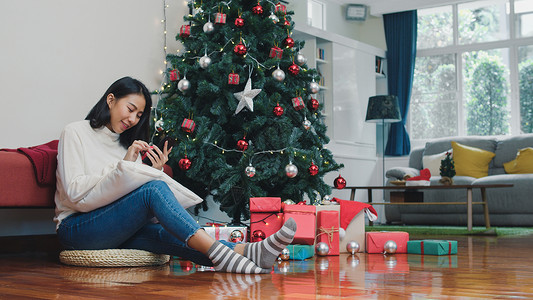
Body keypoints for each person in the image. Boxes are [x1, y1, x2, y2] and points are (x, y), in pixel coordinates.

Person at [54, 76, 297, 274]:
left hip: (113, 228)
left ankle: (249, 252)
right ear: (110, 100)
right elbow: (76, 194)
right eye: (130, 109)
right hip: (77, 228)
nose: (132, 119)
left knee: (163, 233)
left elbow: (130, 206)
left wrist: (149, 172)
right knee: (153, 190)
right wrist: (125, 168)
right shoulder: (75, 132)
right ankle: (222, 253)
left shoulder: (128, 147)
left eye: (139, 115)